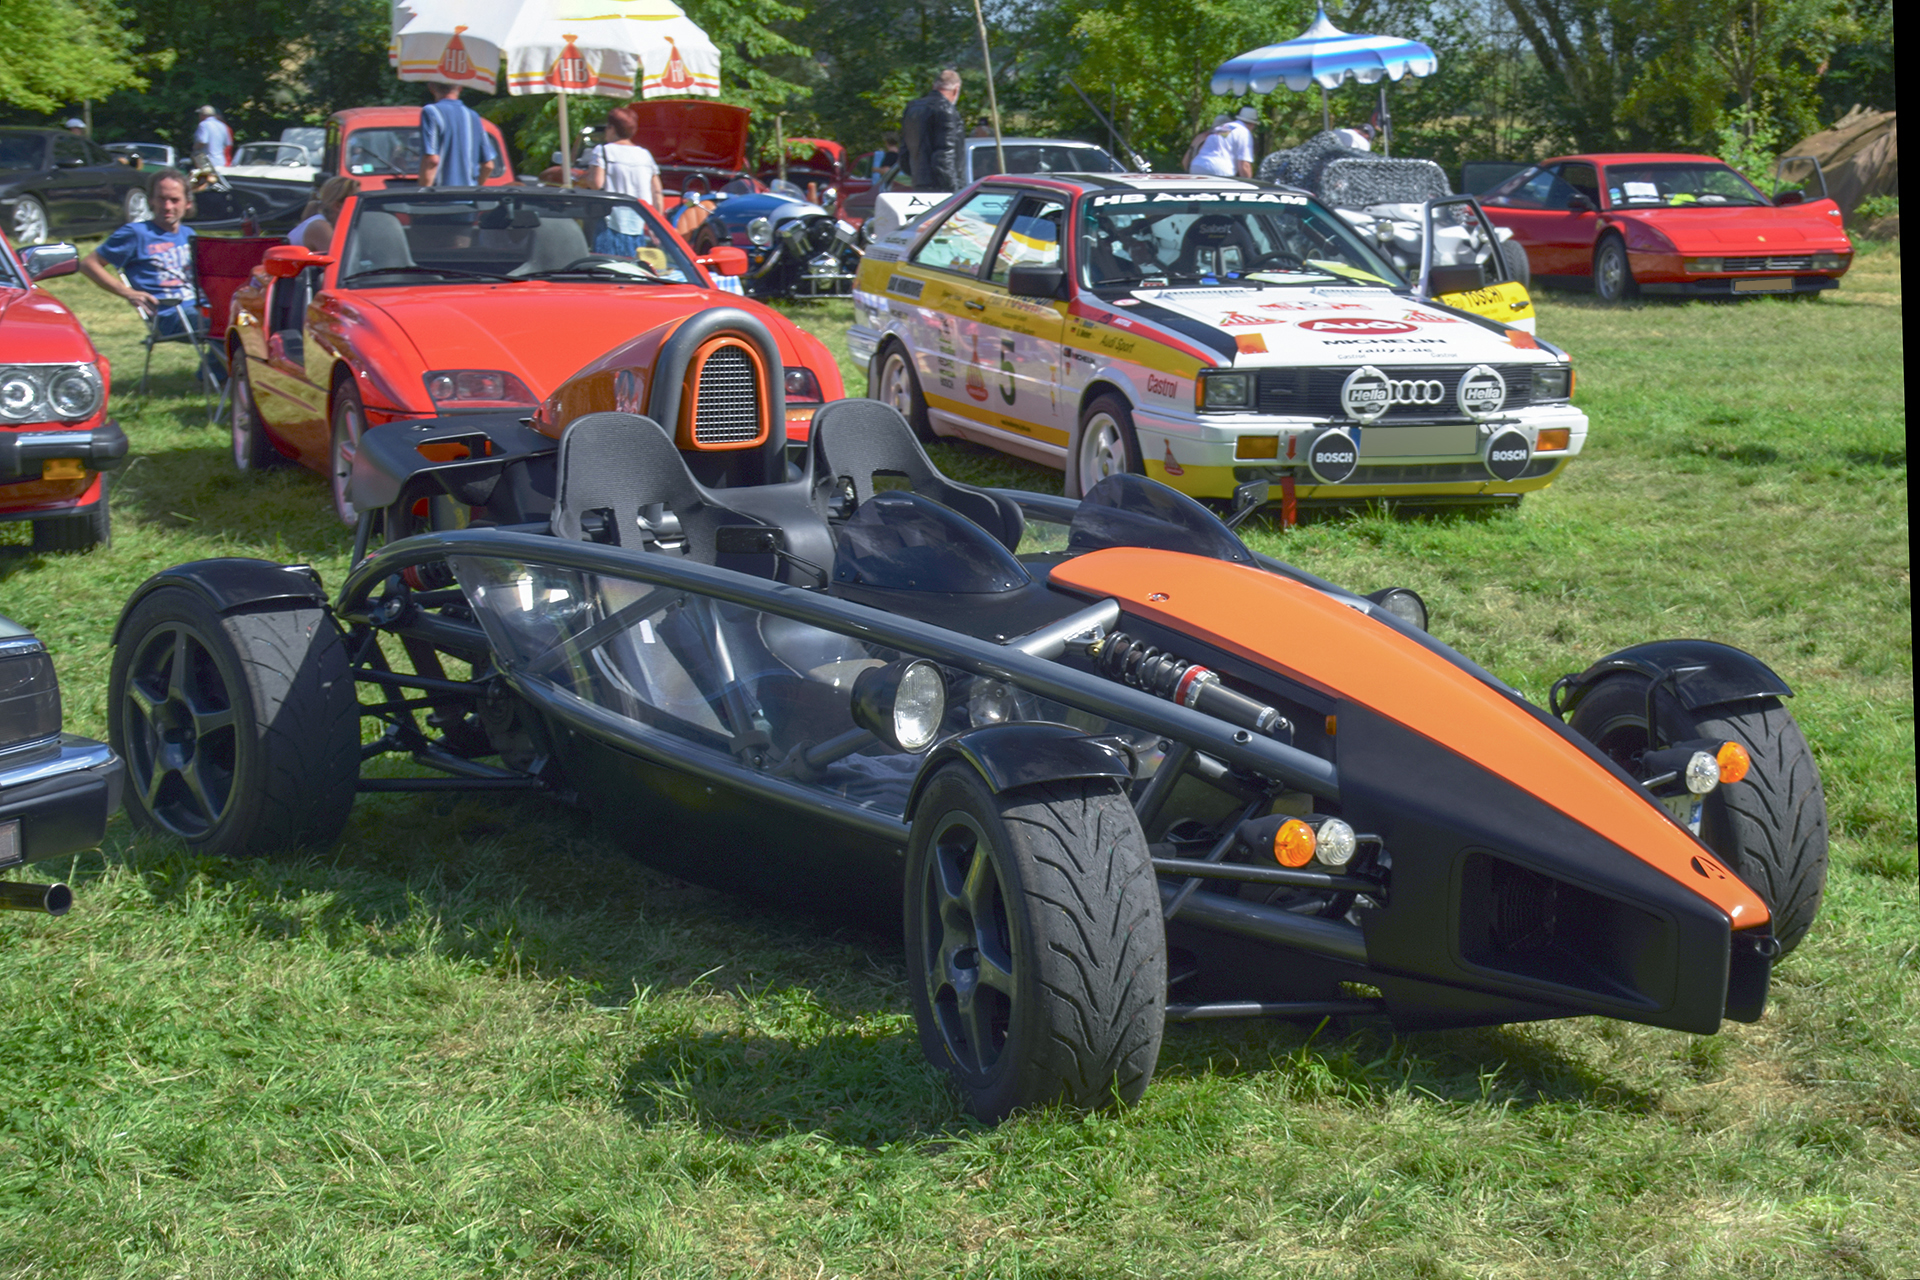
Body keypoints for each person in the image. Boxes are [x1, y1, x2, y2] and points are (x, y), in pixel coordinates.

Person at [79, 169, 221, 382]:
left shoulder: (189, 235)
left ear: (187, 203)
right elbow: (89, 264)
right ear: (151, 201)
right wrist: (128, 293)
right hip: (168, 313)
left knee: (248, 320)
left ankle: (221, 376)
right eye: (161, 199)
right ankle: (216, 379)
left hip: (200, 306)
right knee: (228, 324)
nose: (167, 207)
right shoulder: (135, 233)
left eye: (175, 200)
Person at [418, 82, 498, 188]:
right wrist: (475, 189)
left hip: (440, 197)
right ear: (460, 88)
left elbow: (432, 160)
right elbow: (488, 165)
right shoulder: (473, 116)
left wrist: (423, 195)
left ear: (431, 88)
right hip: (468, 198)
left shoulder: (431, 112)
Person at [583, 107, 663, 209]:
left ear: (612, 129)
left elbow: (596, 183)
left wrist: (583, 178)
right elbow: (657, 192)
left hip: (612, 216)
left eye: (607, 127)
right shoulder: (645, 154)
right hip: (641, 216)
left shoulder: (603, 151)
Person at [900, 69, 963, 191]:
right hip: (941, 187)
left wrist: (917, 176)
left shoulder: (912, 107)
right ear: (956, 89)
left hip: (919, 182)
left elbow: (904, 152)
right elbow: (944, 155)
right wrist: (954, 192)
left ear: (934, 86)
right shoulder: (946, 110)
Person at [288, 175, 361, 253]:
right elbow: (341, 260)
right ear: (338, 206)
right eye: (357, 202)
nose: (360, 207)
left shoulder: (323, 223)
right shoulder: (319, 227)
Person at [1188, 115, 1252, 178]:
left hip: (1197, 166)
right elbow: (1244, 165)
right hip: (1219, 170)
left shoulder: (1226, 127)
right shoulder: (1244, 132)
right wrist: (1250, 184)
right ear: (1252, 125)